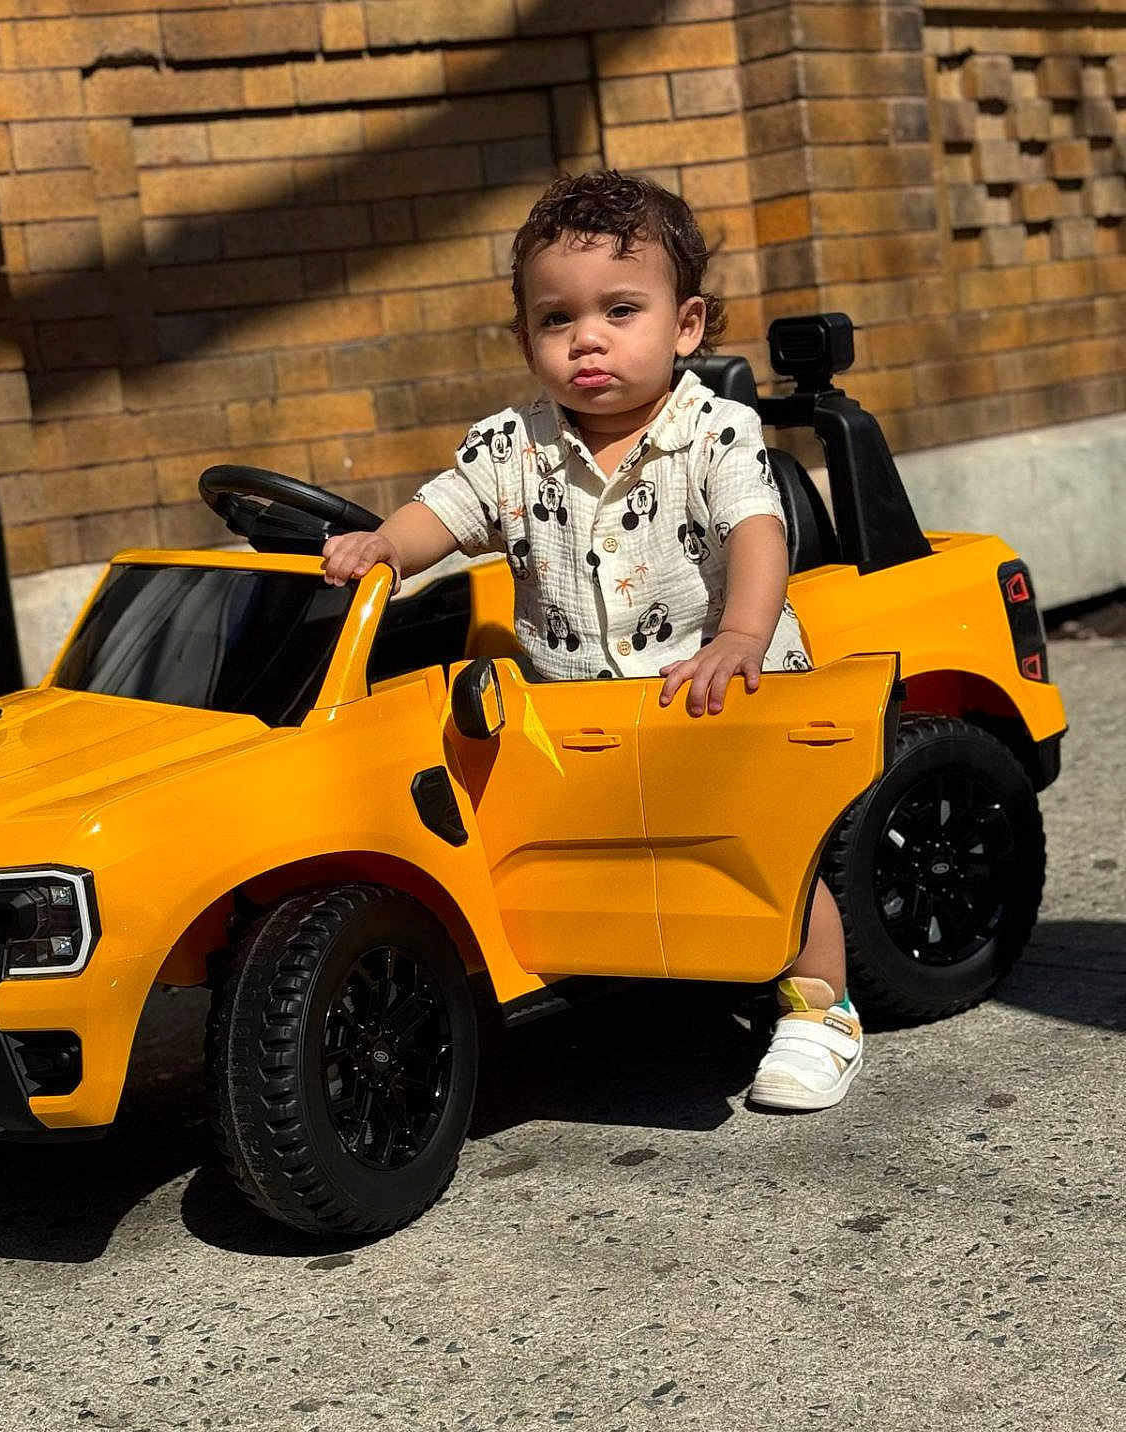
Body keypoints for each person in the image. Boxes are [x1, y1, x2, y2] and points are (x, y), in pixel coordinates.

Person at [322, 170, 862, 1111]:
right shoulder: (511, 445)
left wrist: (741, 632)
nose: (588, 341)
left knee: (770, 856)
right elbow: (440, 513)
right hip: (583, 715)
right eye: (556, 320)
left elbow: (755, 532)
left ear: (685, 325)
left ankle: (819, 1010)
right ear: (525, 338)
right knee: (621, 852)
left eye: (621, 310)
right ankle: (643, 973)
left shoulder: (714, 433)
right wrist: (386, 547)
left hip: (719, 688)